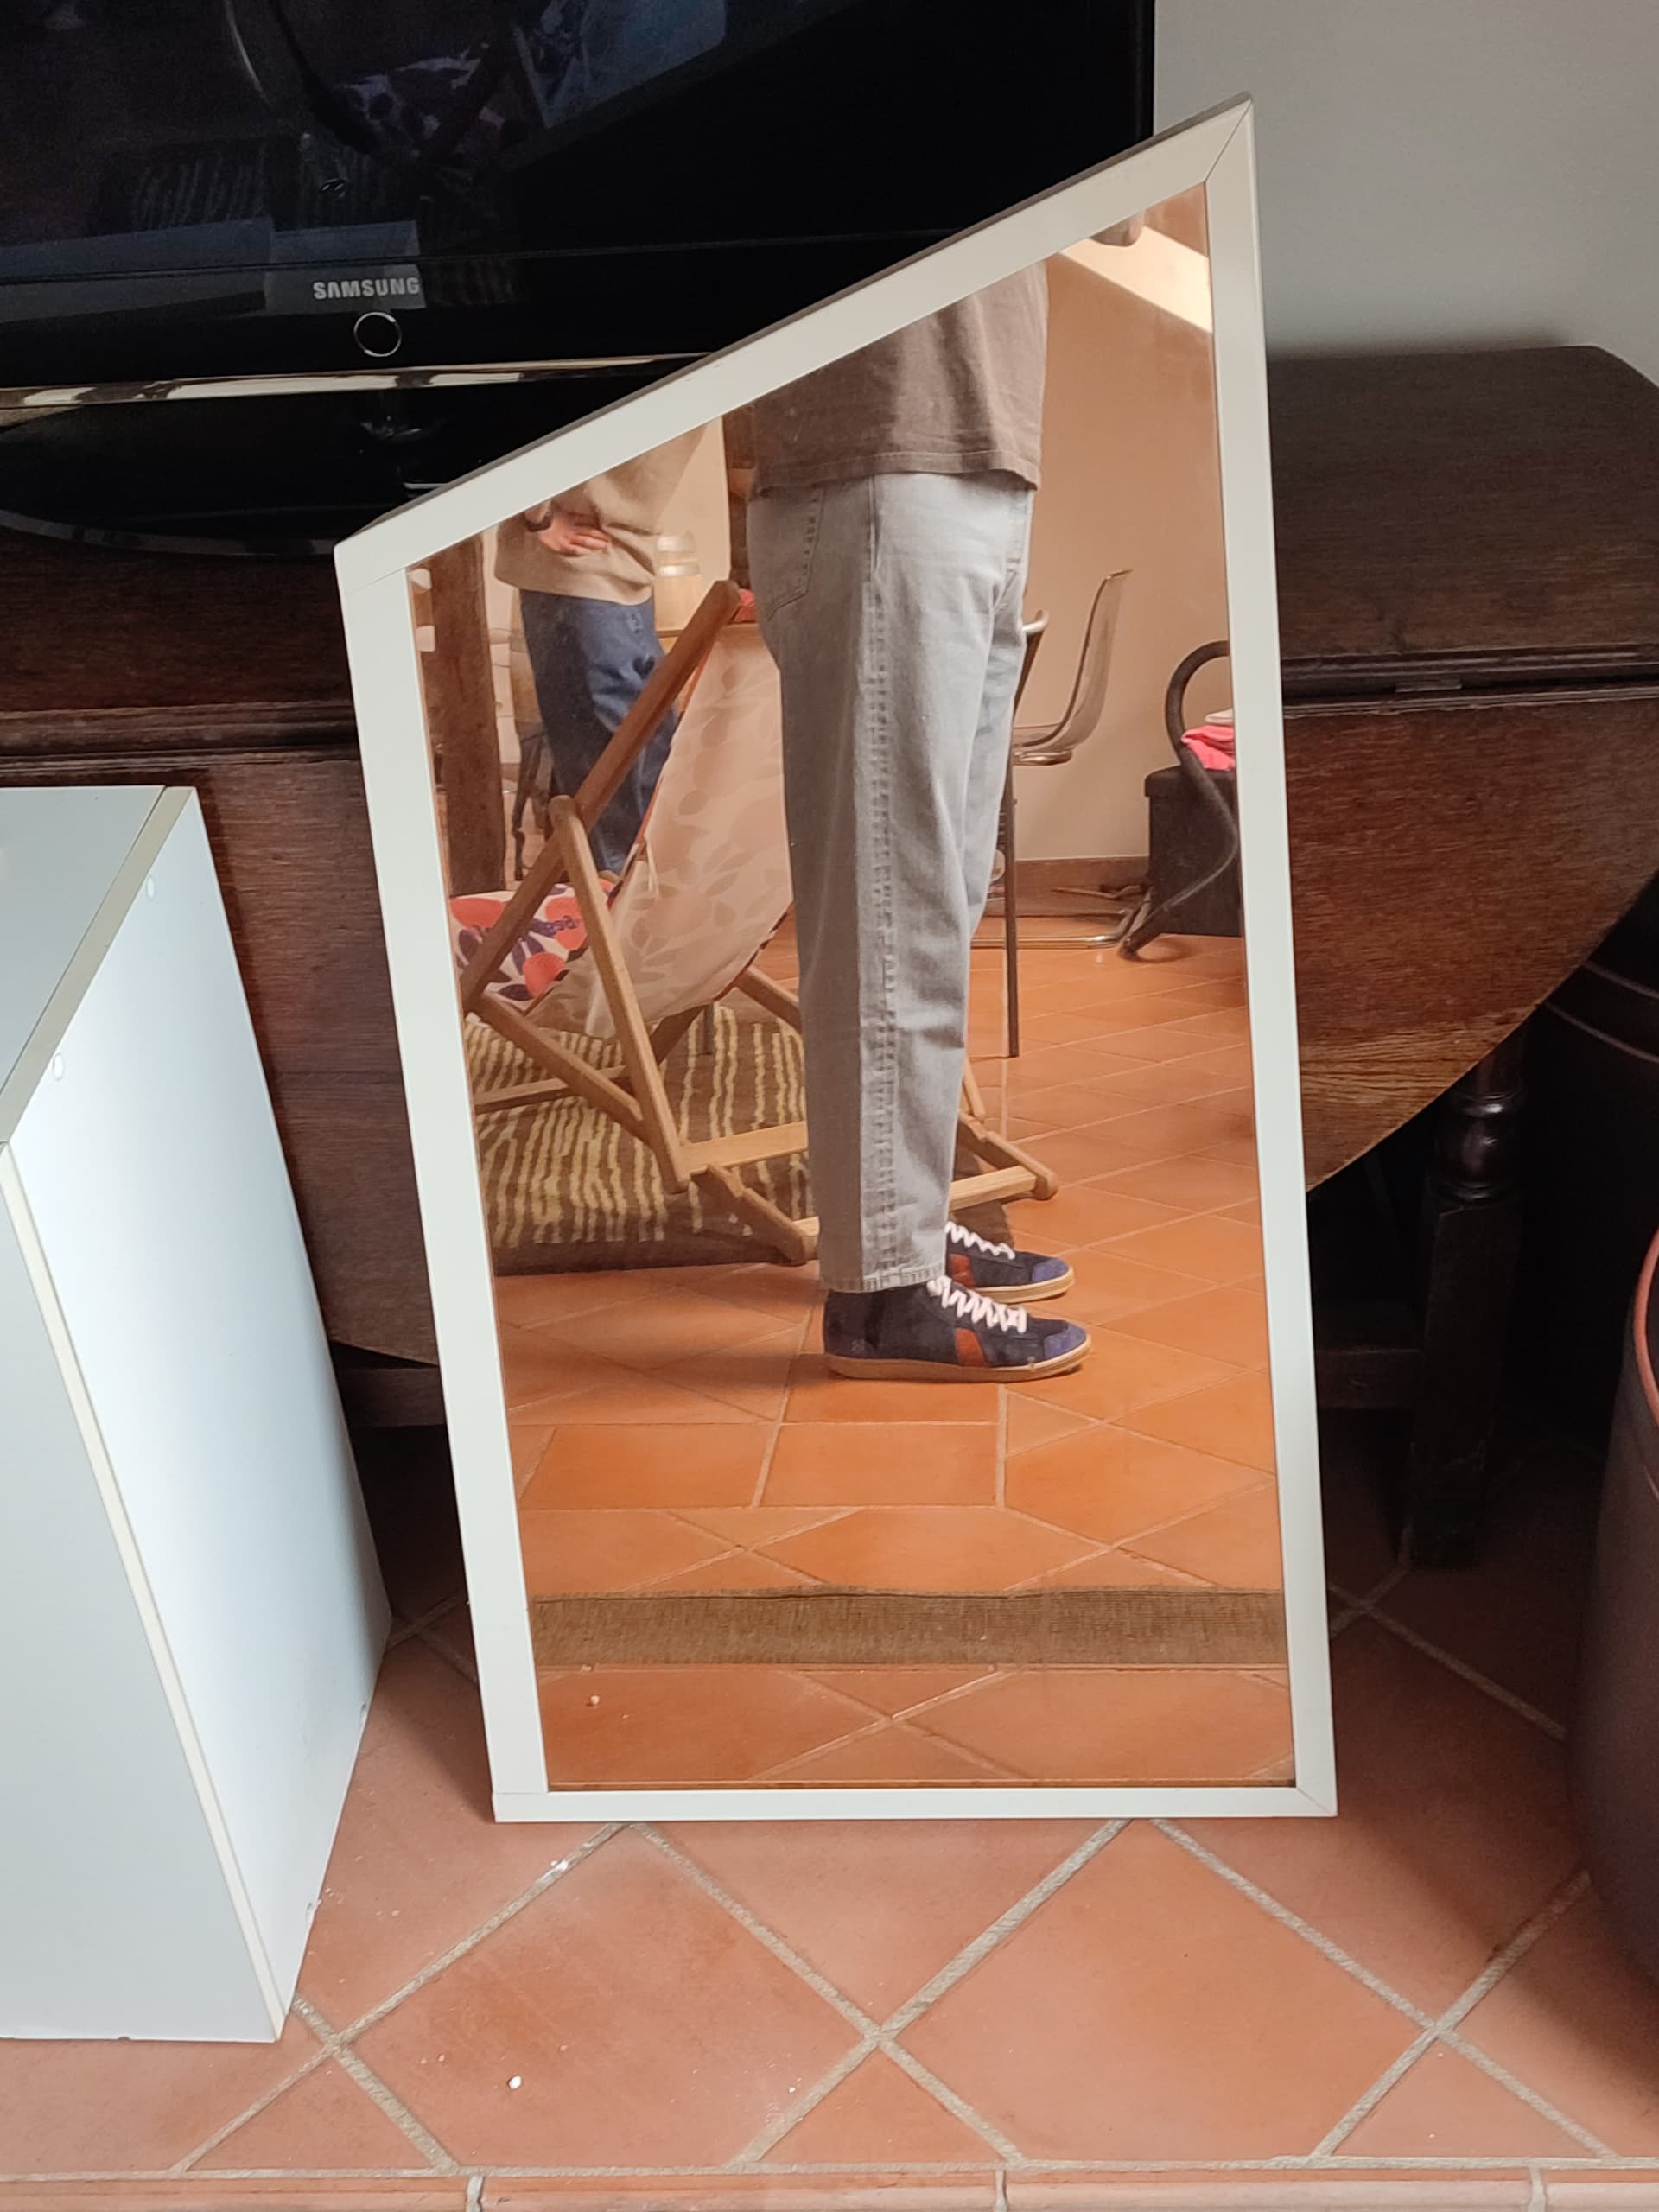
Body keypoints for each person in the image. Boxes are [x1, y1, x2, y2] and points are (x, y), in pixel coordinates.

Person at [747, 270, 1090, 1383]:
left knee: (933, 902)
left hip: (980, 459)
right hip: (878, 458)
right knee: (892, 912)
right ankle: (884, 1294)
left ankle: (905, 1230)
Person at [495, 429, 702, 874]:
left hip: (614, 566)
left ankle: (623, 910)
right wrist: (537, 512)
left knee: (634, 775)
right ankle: (616, 914)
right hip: (579, 570)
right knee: (611, 791)